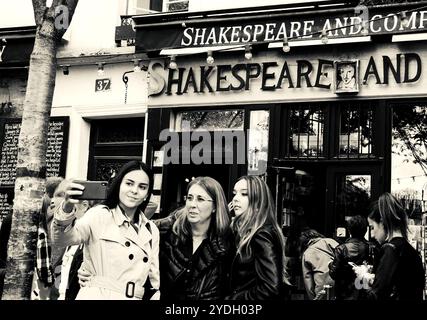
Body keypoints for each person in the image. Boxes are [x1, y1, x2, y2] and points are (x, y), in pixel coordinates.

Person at [51, 160, 160, 300]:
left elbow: (154, 281)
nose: (134, 191)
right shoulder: (99, 215)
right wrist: (66, 207)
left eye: (142, 187)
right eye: (129, 183)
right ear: (119, 184)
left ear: (147, 194)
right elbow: (62, 239)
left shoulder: (151, 230)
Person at [154, 176, 232, 300]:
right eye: (190, 198)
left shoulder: (225, 243)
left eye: (200, 199)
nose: (192, 205)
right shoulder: (165, 231)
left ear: (215, 206)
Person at [353, 193, 425, 300]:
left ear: (382, 222)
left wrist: (362, 278)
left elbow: (376, 296)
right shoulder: (410, 251)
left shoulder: (390, 249)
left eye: (372, 227)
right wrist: (374, 278)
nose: (372, 234)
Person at [226, 175, 286, 300]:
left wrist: (233, 299)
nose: (235, 199)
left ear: (258, 200)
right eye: (234, 193)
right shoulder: (244, 232)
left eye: (244, 194)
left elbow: (270, 288)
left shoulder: (261, 234)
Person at [328, 215, 369, 300]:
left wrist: (330, 265)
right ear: (365, 230)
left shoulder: (341, 249)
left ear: (349, 230)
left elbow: (334, 274)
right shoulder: (373, 248)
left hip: (344, 294)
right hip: (366, 293)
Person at [299, 229, 338, 300]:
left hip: (321, 289)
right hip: (338, 284)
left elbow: (308, 281)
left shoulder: (306, 253)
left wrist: (313, 298)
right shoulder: (330, 241)